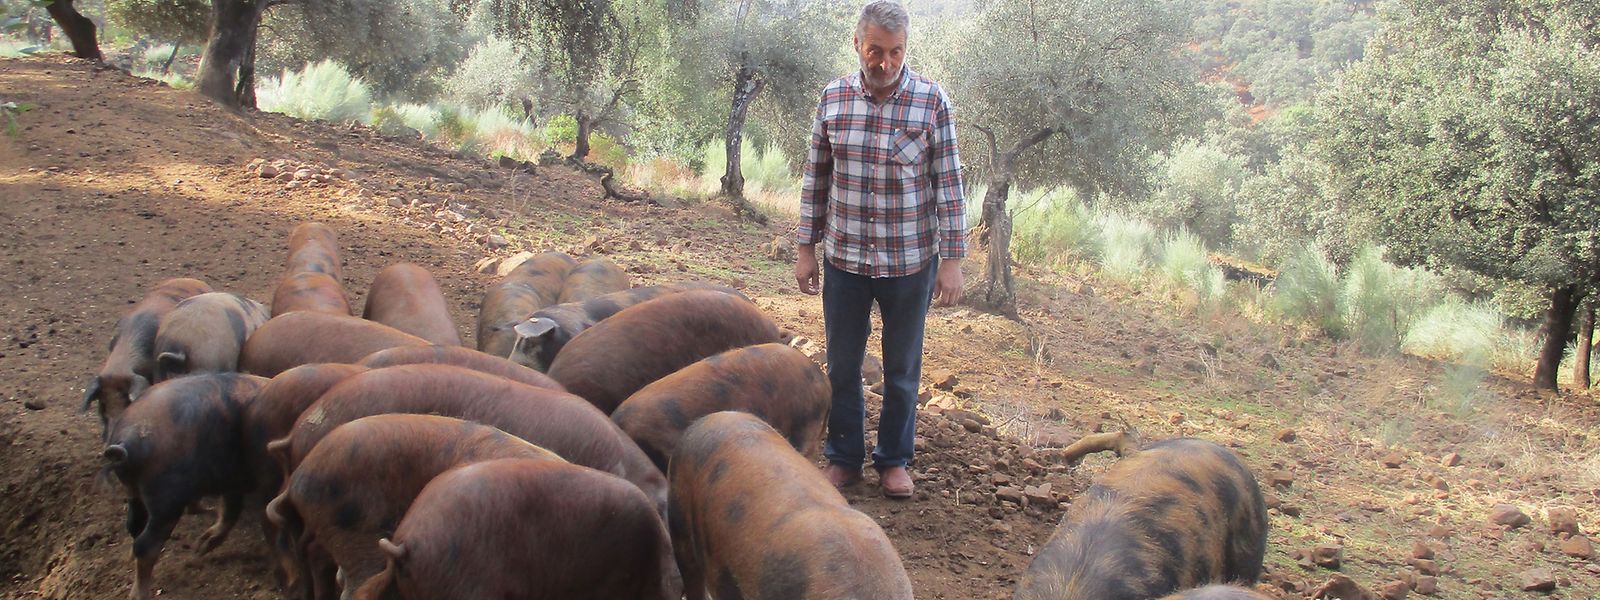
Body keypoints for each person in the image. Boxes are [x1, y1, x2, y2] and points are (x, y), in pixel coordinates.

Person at [794, 0, 966, 500]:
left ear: (905, 49)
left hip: (910, 262)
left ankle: (893, 461)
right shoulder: (833, 98)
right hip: (845, 258)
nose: (885, 63)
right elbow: (815, 179)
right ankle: (844, 458)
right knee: (843, 365)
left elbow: (949, 185)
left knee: (902, 370)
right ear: (857, 44)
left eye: (895, 52)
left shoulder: (931, 102)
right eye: (875, 51)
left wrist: (952, 261)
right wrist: (806, 248)